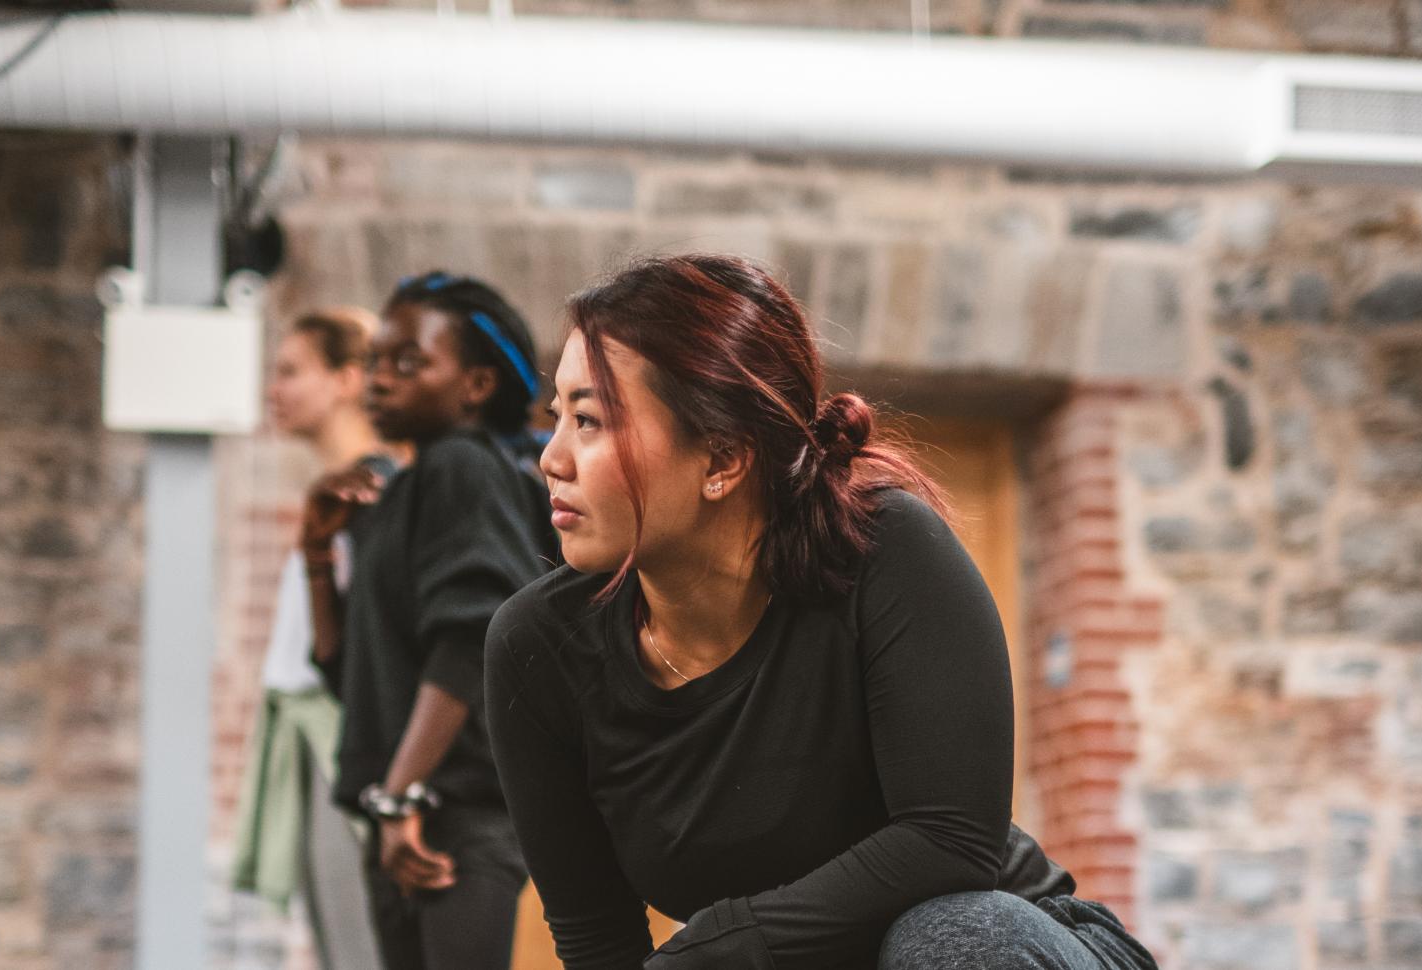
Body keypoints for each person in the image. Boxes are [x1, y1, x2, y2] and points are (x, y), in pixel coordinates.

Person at [484, 254, 1160, 970]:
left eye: (590, 421)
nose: (551, 458)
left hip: (1005, 944)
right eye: (556, 417)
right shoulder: (538, 646)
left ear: (721, 460)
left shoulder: (883, 549)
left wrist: (721, 947)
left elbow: (950, 838)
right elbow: (598, 940)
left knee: (944, 937)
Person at [328, 271, 557, 970]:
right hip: (405, 811)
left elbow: (474, 636)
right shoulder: (400, 493)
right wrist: (317, 554)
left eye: (409, 362)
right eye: (375, 361)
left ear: (477, 386)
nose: (380, 379)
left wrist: (402, 799)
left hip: (451, 819)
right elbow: (346, 671)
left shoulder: (463, 468)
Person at [233, 307, 400, 970]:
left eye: (291, 371)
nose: (274, 390)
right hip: (308, 736)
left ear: (346, 380)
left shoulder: (376, 490)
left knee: (361, 944)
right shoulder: (339, 489)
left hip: (344, 742)